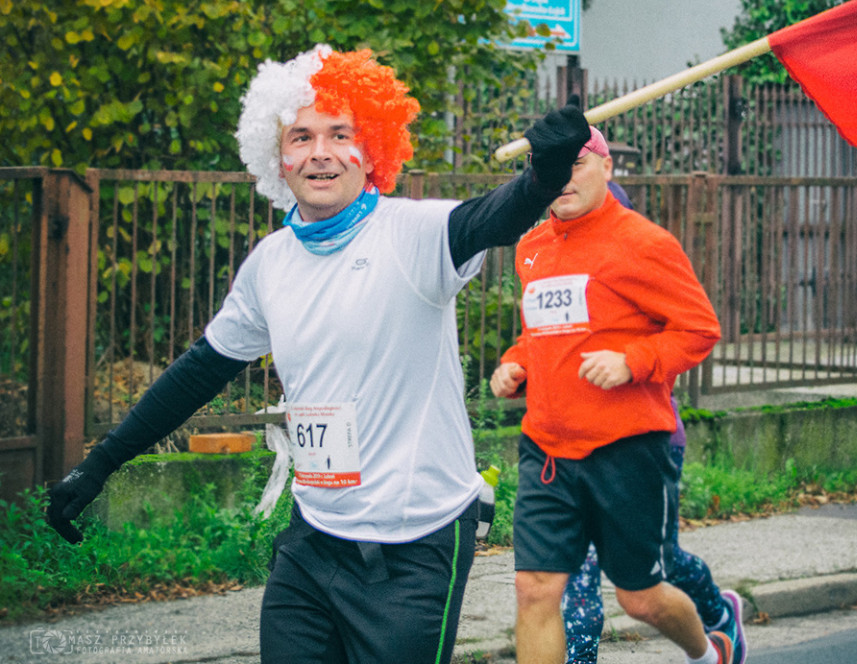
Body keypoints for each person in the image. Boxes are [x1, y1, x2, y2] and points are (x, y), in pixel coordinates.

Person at [47, 45, 593, 664]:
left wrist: (544, 176)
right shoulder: (270, 265)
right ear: (277, 158)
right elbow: (198, 373)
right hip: (313, 542)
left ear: (373, 150)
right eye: (301, 137)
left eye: (341, 133)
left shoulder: (411, 235)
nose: (321, 153)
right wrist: (101, 464)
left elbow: (495, 218)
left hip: (414, 548)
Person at [490, 125, 734, 664]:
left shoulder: (643, 243)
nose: (564, 178)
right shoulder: (531, 248)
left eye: (577, 163)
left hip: (626, 450)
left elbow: (700, 329)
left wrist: (633, 362)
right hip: (548, 450)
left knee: (639, 598)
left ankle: (710, 650)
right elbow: (542, 336)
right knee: (535, 590)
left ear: (607, 167)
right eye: (551, 168)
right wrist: (514, 365)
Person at [561, 162, 746, 664]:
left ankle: (717, 613)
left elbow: (693, 335)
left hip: (642, 448)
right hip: (570, 453)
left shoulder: (640, 272)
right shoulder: (557, 274)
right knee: (574, 593)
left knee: (661, 566)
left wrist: (630, 362)